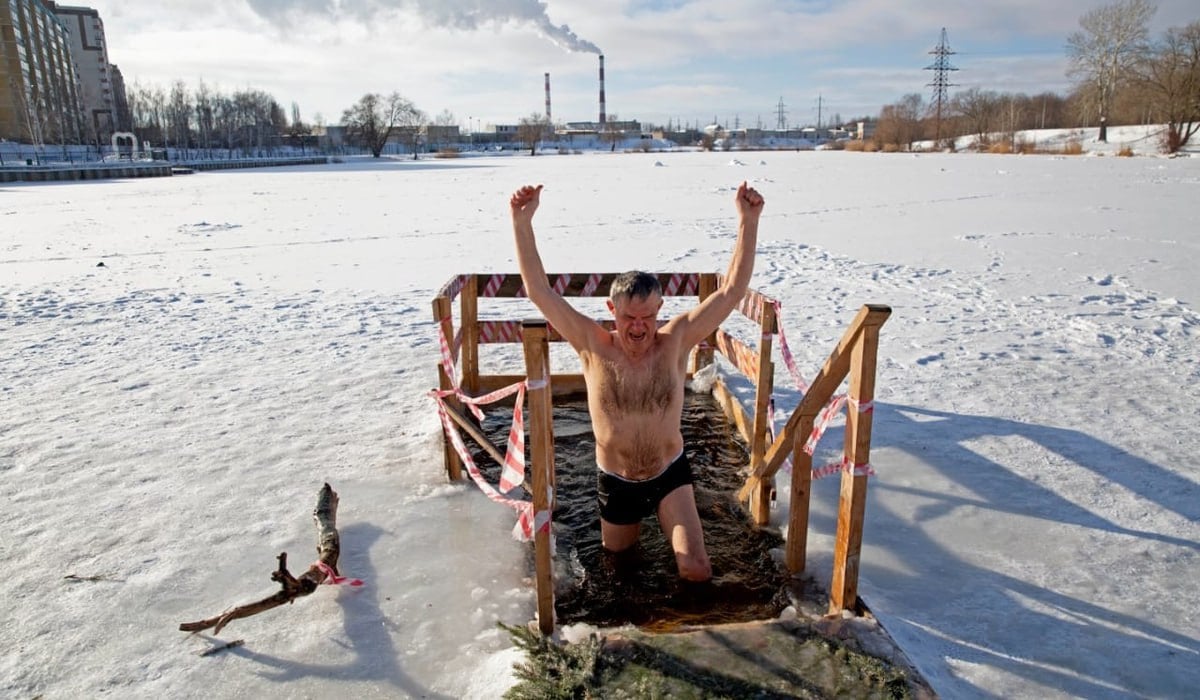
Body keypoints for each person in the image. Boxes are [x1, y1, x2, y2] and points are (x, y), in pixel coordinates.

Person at [509, 181, 764, 581]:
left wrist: (748, 222)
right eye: (629, 318)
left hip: (669, 473)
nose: (639, 328)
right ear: (612, 309)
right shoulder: (593, 345)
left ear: (661, 308)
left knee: (696, 568)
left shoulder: (675, 342)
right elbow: (539, 292)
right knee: (621, 571)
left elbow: (731, 292)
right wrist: (522, 223)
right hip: (616, 479)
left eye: (648, 317)